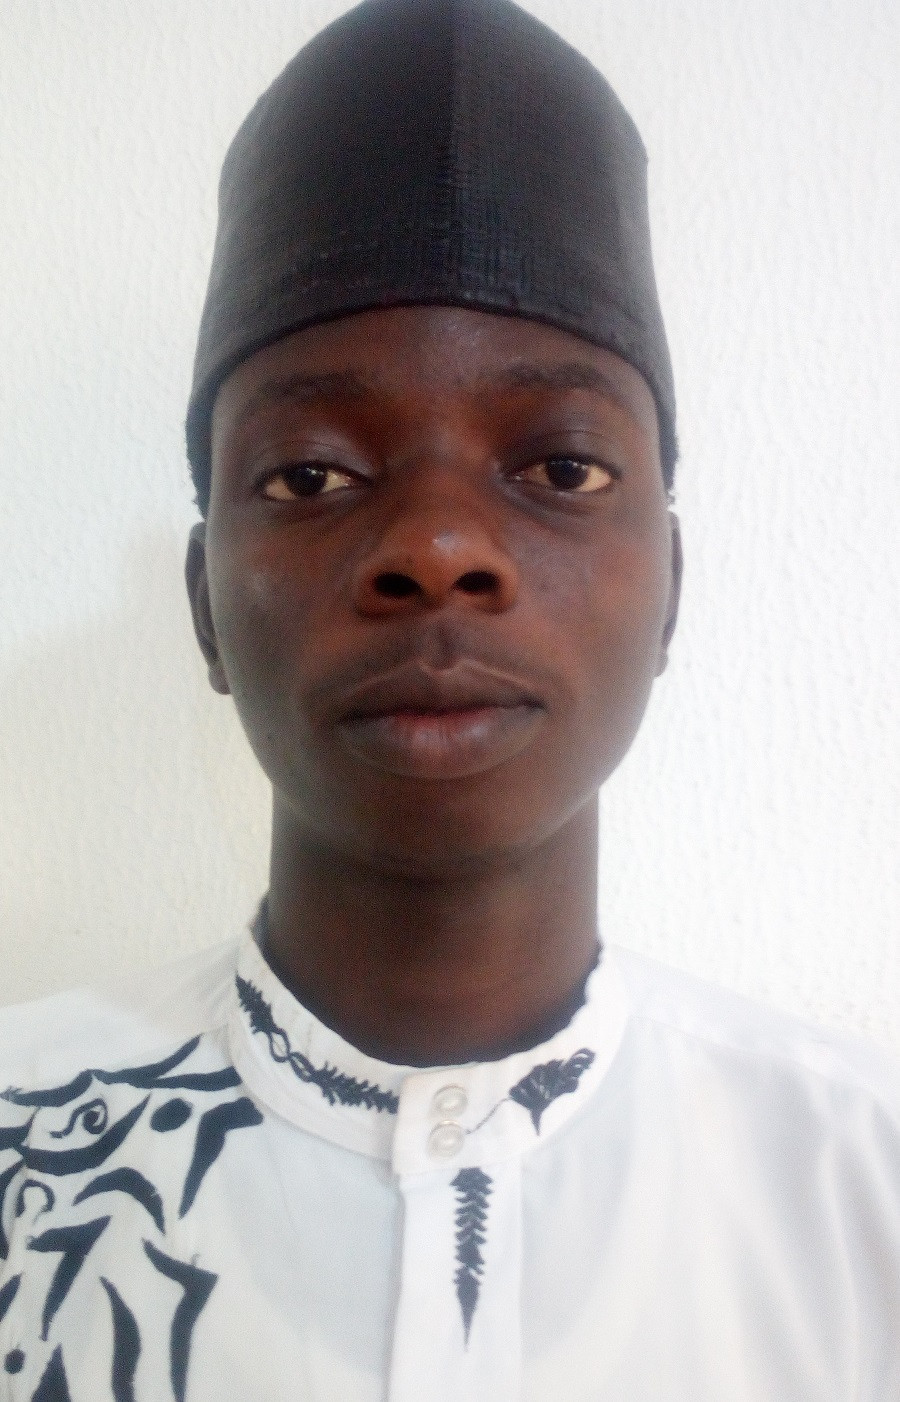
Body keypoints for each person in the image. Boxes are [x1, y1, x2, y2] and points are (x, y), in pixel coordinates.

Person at [1, 0, 897, 1397]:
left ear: (670, 588)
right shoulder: (26, 1160)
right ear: (204, 604)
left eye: (560, 467)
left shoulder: (861, 1190)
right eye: (310, 474)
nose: (434, 547)